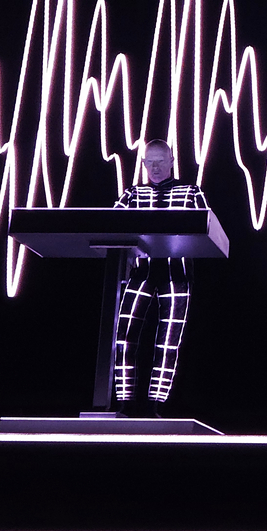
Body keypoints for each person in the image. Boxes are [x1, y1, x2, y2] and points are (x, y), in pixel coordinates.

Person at [110, 139, 207, 415]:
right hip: (140, 272)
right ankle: (125, 402)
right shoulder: (132, 194)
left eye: (160, 161)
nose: (154, 168)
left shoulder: (191, 192)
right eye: (149, 162)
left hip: (177, 274)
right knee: (124, 336)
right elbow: (108, 222)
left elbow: (206, 226)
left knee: (168, 342)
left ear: (172, 162)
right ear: (143, 164)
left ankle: (157, 405)